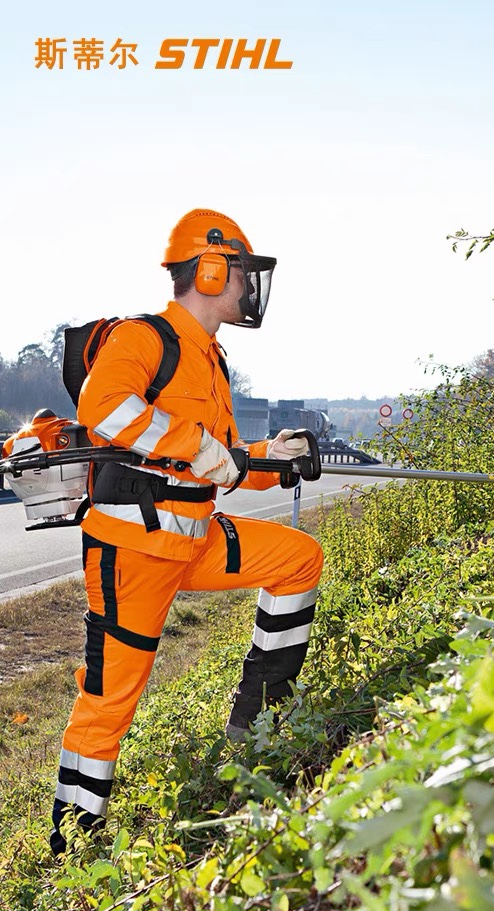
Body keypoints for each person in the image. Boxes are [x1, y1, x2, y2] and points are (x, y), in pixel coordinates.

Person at [51, 208, 324, 856]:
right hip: (132, 551)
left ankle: (254, 732)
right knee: (111, 697)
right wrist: (196, 446)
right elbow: (103, 407)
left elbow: (223, 463)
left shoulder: (213, 362)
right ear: (207, 268)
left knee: (297, 557)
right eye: (239, 275)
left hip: (194, 538)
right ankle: (73, 844)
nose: (247, 289)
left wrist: (272, 456)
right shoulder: (147, 339)